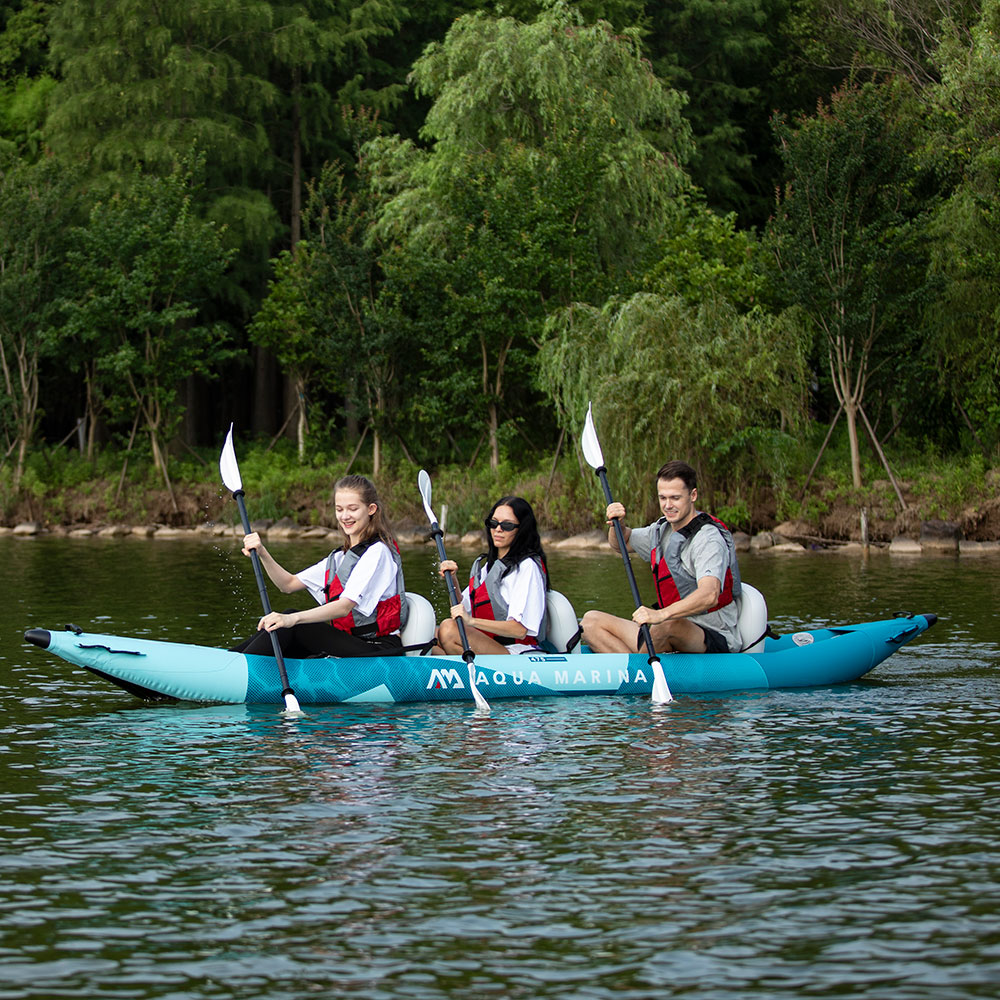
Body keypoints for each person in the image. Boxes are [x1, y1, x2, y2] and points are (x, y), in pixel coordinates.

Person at [233, 474, 408, 658]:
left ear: (371, 509)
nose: (345, 516)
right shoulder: (340, 557)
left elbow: (344, 607)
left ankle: (236, 666)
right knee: (280, 627)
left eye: (353, 509)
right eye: (339, 509)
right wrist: (262, 552)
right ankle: (233, 658)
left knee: (293, 624)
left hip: (380, 649)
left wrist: (292, 619)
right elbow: (288, 584)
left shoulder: (379, 552)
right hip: (350, 642)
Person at [581, 460, 742, 655]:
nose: (668, 505)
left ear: (693, 495)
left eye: (675, 498)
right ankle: (638, 666)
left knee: (666, 626)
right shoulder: (660, 531)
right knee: (590, 622)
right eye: (663, 498)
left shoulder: (708, 539)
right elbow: (621, 543)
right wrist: (618, 525)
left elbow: (710, 595)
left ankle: (638, 666)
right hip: (666, 626)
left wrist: (660, 614)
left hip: (712, 633)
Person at [434, 496, 549, 656]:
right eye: (493, 523)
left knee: (448, 629)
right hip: (489, 644)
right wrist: (452, 578)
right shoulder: (490, 567)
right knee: (430, 635)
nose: (498, 529)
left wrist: (471, 621)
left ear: (521, 529)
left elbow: (520, 630)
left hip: (516, 652)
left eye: (507, 525)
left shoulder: (526, 567)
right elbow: (462, 608)